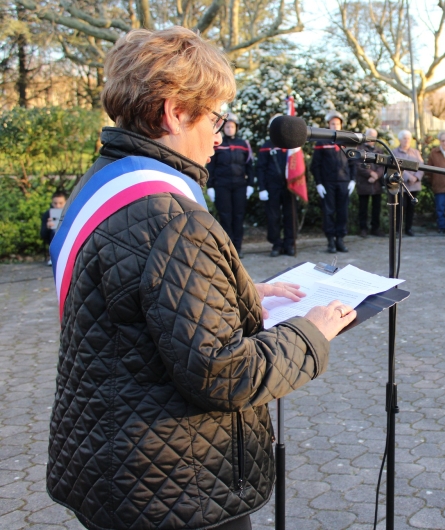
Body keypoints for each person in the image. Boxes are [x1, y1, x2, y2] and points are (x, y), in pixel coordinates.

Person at [46, 27, 356, 530]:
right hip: (176, 481)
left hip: (108, 461)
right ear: (173, 112)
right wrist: (311, 333)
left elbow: (124, 294)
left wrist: (233, 293)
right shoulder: (171, 216)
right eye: (214, 117)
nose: (219, 133)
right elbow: (223, 374)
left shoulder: (106, 180)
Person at [206, 113, 255, 253]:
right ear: (223, 128)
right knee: (225, 216)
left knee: (238, 216)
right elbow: (211, 167)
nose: (229, 129)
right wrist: (210, 186)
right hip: (222, 185)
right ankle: (227, 249)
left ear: (236, 128)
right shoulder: (218, 144)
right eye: (227, 126)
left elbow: (249, 165)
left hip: (240, 185)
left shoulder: (244, 144)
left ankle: (238, 247)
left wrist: (250, 184)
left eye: (232, 126)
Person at [311, 110, 356, 253]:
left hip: (344, 182)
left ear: (341, 125)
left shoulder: (347, 141)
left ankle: (340, 240)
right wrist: (318, 183)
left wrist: (353, 180)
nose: (335, 126)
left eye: (337, 123)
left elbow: (353, 162)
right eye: (332, 123)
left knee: (343, 212)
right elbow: (315, 165)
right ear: (328, 125)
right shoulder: (321, 142)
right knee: (328, 212)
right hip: (327, 183)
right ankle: (330, 241)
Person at [257, 115, 296, 257]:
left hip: (289, 186)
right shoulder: (266, 146)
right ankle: (276, 244)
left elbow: (298, 165)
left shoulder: (291, 144)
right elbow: (260, 168)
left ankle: (289, 244)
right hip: (272, 186)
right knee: (273, 217)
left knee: (290, 216)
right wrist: (261, 188)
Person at [392, 130, 424, 236]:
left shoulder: (416, 152)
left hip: (413, 185)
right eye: (404, 138)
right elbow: (394, 167)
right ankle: (398, 229)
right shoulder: (394, 152)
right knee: (400, 208)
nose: (406, 141)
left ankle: (408, 228)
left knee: (411, 208)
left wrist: (416, 177)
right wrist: (407, 176)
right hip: (401, 185)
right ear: (400, 140)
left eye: (408, 138)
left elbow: (421, 166)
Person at [355, 128, 385, 237]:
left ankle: (375, 228)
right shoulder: (359, 149)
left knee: (376, 208)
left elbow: (382, 165)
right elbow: (358, 165)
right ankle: (363, 229)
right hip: (364, 183)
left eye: (373, 136)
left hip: (377, 184)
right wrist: (370, 173)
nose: (371, 138)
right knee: (363, 208)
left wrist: (377, 175)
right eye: (369, 136)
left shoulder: (379, 150)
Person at [40, 191, 67, 265]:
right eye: (55, 203)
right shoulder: (47, 214)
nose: (58, 206)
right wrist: (47, 227)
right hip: (53, 236)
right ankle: (55, 257)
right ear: (52, 203)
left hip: (67, 236)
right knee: (54, 232)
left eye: (61, 203)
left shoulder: (70, 213)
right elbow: (42, 235)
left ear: (66, 202)